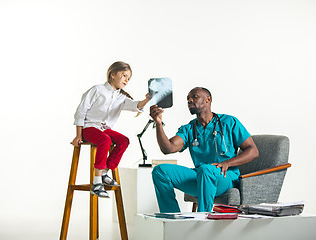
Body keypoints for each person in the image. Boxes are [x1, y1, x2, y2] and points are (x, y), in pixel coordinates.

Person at [150, 87, 259, 212]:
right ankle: (172, 218)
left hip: (225, 177)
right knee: (160, 171)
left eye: (194, 96)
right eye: (187, 99)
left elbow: (253, 151)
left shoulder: (229, 122)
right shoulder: (189, 129)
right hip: (200, 176)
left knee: (206, 169)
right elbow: (168, 148)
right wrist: (158, 123)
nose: (190, 100)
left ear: (208, 100)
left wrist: (227, 163)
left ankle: (202, 219)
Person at [72, 61, 149, 198]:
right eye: (124, 75)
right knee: (105, 140)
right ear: (112, 74)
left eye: (129, 78)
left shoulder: (121, 97)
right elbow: (81, 111)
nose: (126, 80)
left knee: (123, 141)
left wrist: (147, 100)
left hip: (103, 129)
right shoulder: (97, 90)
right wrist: (78, 135)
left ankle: (105, 172)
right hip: (89, 127)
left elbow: (134, 105)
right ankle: (96, 183)